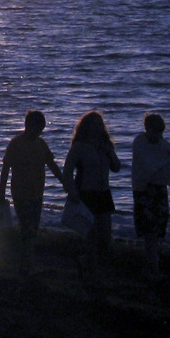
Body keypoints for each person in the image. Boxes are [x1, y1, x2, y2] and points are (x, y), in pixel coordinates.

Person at [0, 109, 74, 276]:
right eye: (37, 128)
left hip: (37, 193)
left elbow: (52, 165)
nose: (38, 132)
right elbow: (5, 168)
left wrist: (64, 182)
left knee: (33, 229)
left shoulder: (41, 144)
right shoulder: (16, 143)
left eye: (41, 129)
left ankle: (26, 262)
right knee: (27, 229)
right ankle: (27, 265)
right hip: (20, 193)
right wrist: (2, 193)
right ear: (28, 126)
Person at [63, 110, 121, 281]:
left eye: (100, 124)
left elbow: (117, 167)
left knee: (105, 236)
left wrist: (109, 152)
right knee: (91, 234)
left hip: (103, 194)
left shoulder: (105, 146)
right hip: (86, 193)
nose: (98, 128)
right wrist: (72, 192)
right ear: (86, 127)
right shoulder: (79, 147)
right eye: (94, 124)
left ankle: (85, 261)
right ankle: (92, 270)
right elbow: (67, 171)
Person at [131, 112, 170, 281]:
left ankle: (151, 265)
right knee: (149, 231)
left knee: (158, 230)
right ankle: (153, 269)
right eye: (156, 132)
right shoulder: (140, 142)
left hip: (159, 191)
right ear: (148, 129)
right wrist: (164, 163)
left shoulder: (164, 144)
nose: (158, 136)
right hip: (144, 191)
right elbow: (149, 167)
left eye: (160, 132)